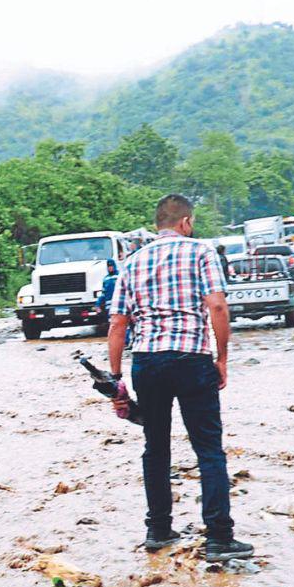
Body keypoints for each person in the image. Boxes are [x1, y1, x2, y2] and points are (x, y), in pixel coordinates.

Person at [107, 194, 254, 562]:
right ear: (186, 223)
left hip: (148, 362)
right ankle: (219, 536)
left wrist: (115, 380)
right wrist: (222, 358)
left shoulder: (132, 261)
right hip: (192, 359)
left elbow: (117, 324)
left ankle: (158, 529)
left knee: (155, 447)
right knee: (208, 448)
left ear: (158, 224)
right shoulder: (201, 252)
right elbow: (217, 306)